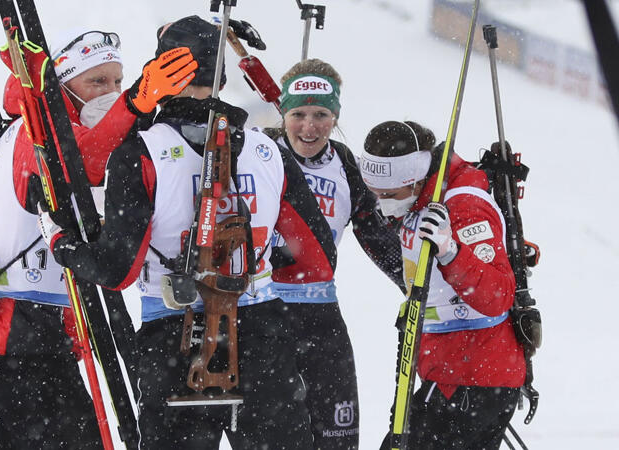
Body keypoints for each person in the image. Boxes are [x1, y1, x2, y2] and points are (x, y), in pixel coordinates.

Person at [38, 16, 336, 449]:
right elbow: (318, 261)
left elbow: (116, 269)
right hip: (262, 339)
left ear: (161, 72)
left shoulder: (139, 152)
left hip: (174, 342)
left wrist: (61, 243)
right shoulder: (268, 149)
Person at [0, 27, 196, 449]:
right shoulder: (34, 137)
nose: (109, 91)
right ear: (63, 88)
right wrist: (134, 103)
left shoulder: (13, 134)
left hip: (21, 343)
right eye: (96, 82)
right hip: (25, 344)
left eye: (116, 80)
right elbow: (82, 165)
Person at [262, 59, 404, 449]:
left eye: (322, 114)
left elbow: (377, 234)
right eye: (299, 114)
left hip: (321, 313)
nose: (309, 127)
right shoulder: (259, 153)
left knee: (338, 433)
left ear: (336, 115)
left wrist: (416, 283)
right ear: (284, 113)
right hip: (264, 313)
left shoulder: (344, 163)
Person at [358, 121, 525, 450]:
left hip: (473, 373)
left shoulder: (463, 207)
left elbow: (498, 294)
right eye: (375, 193)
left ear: (415, 178)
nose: (382, 204)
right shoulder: (419, 199)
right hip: (452, 368)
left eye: (388, 195)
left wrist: (451, 252)